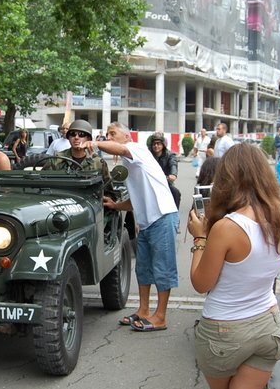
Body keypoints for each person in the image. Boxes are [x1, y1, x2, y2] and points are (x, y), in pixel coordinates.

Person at [187, 143, 280, 389]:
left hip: (225, 329)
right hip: (268, 323)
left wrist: (200, 238)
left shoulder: (227, 228)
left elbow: (201, 283)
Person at [90, 122, 179, 332]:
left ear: (126, 137)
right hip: (147, 223)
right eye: (107, 134)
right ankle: (144, 310)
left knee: (163, 269)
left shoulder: (136, 149)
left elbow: (119, 149)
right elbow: (135, 200)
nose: (109, 137)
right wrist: (115, 205)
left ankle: (160, 317)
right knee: (143, 268)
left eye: (113, 134)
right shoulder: (128, 162)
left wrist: (95, 143)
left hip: (163, 217)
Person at [48, 120, 109, 185]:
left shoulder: (98, 162)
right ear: (68, 137)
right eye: (73, 134)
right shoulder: (56, 159)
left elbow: (108, 189)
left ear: (88, 138)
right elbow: (44, 183)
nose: (76, 137)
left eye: (81, 134)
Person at [148, 132, 181, 208]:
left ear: (163, 145)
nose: (156, 146)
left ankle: (175, 213)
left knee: (176, 193)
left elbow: (173, 164)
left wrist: (173, 174)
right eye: (154, 144)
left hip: (166, 183)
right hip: (150, 182)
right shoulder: (147, 154)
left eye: (158, 143)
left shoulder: (170, 155)